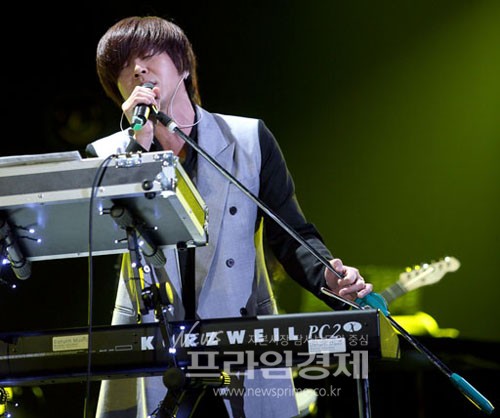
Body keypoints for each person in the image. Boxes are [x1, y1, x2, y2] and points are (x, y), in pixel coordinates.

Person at [86, 15, 373, 418]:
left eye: (148, 55)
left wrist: (328, 277)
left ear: (183, 66)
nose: (137, 70)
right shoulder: (106, 157)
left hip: (242, 339)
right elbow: (105, 240)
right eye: (122, 65)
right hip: (151, 343)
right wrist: (139, 152)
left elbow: (290, 234)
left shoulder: (248, 139)